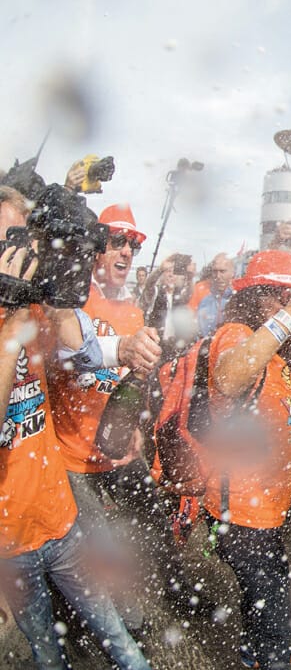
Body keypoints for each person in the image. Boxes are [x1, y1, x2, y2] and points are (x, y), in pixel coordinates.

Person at [0, 186, 152, 670]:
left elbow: (79, 343)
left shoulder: (35, 304)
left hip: (57, 516)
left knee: (120, 642)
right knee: (47, 652)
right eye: (11, 239)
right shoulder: (12, 311)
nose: (22, 255)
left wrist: (124, 350)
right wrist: (9, 317)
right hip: (10, 540)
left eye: (29, 242)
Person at [204, 248, 291, 669]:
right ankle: (270, 655)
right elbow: (229, 375)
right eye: (272, 294)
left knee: (265, 596)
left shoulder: (276, 356)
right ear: (249, 297)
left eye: (288, 295)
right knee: (272, 605)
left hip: (265, 511)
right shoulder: (236, 334)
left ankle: (257, 650)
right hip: (240, 511)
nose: (281, 304)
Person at [46, 203, 164, 629]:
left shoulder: (133, 310)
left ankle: (168, 594)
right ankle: (124, 630)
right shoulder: (72, 302)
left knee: (154, 521)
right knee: (101, 548)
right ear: (96, 249)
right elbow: (67, 358)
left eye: (132, 245)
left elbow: (129, 381)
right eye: (117, 242)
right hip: (69, 453)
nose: (126, 252)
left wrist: (133, 423)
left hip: (113, 449)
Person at [195, 253, 235, 337]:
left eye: (222, 271)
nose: (218, 276)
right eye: (215, 271)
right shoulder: (205, 301)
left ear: (232, 273)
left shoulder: (238, 299)